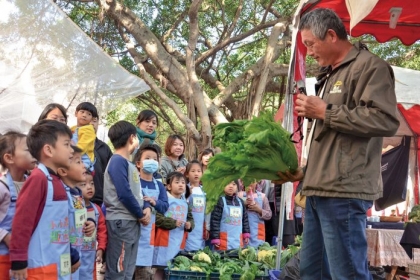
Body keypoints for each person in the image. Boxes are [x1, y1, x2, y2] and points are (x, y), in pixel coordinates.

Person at [278, 8, 399, 279]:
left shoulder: (371, 67)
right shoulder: (329, 74)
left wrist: (325, 111)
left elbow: (385, 120)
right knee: (311, 272)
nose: (309, 52)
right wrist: (304, 173)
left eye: (311, 44)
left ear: (331, 35)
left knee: (347, 273)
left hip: (344, 190)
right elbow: (331, 141)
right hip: (319, 189)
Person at [9, 120, 74, 279]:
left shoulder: (57, 180)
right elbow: (22, 220)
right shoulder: (38, 178)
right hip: (40, 269)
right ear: (48, 150)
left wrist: (73, 255)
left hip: (58, 266)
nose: (71, 150)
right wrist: (18, 259)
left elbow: (63, 227)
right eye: (66, 144)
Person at [103, 120, 152, 280]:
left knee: (127, 271)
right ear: (132, 138)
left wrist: (146, 207)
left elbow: (138, 192)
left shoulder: (128, 164)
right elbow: (124, 193)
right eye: (137, 137)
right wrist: (140, 214)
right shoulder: (117, 161)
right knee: (118, 270)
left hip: (131, 221)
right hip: (122, 221)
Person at [0, 132, 36, 278]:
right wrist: (6, 236)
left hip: (27, 255)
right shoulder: (2, 187)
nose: (34, 152)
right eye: (28, 150)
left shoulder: (34, 183)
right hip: (4, 256)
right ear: (9, 158)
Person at [57, 145, 96, 280]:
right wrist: (72, 255)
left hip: (78, 255)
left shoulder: (76, 194)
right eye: (78, 162)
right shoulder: (61, 194)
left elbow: (78, 217)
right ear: (63, 171)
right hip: (67, 257)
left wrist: (89, 223)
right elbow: (59, 230)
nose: (84, 166)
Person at [133, 145, 169, 280]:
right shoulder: (134, 182)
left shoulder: (159, 185)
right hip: (133, 229)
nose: (152, 161)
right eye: (147, 158)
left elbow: (165, 206)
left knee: (143, 271)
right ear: (138, 163)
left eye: (155, 159)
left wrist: (154, 202)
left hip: (149, 233)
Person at [152, 172, 194, 280]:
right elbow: (158, 219)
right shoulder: (164, 200)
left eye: (183, 183)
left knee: (175, 268)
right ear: (169, 186)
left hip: (178, 241)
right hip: (164, 240)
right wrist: (173, 223)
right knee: (160, 267)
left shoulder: (185, 202)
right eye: (177, 182)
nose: (181, 185)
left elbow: (190, 218)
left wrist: (190, 225)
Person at [78, 170, 107, 280]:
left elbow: (102, 230)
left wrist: (101, 248)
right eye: (84, 184)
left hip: (90, 254)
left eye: (92, 183)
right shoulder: (72, 208)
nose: (89, 187)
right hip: (76, 254)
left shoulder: (96, 209)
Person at [210, 180, 250, 250]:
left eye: (234, 184)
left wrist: (246, 233)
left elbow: (245, 219)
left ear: (237, 187)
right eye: (227, 183)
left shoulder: (240, 202)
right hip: (223, 241)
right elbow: (215, 221)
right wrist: (215, 238)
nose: (231, 186)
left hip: (237, 239)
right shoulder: (220, 201)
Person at [238, 181, 272, 248]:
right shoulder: (239, 195)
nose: (250, 183)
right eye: (248, 180)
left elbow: (269, 215)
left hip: (257, 233)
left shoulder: (263, 197)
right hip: (242, 232)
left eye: (253, 181)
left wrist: (259, 210)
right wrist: (243, 204)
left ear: (257, 182)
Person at [184, 160, 209, 251]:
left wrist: (207, 227)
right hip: (188, 224)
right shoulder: (184, 189)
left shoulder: (205, 191)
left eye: (199, 171)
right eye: (193, 171)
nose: (196, 174)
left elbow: (207, 210)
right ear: (187, 174)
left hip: (201, 225)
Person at [90, 116, 113, 206]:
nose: (91, 124)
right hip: (80, 197)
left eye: (94, 121)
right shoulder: (74, 144)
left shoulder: (104, 147)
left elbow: (111, 172)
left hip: (100, 199)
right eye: (89, 120)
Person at [71, 102, 98, 173]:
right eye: (82, 112)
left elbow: (82, 147)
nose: (84, 115)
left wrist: (70, 154)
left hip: (84, 159)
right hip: (74, 156)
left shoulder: (89, 130)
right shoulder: (72, 128)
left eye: (89, 114)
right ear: (76, 113)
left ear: (92, 119)